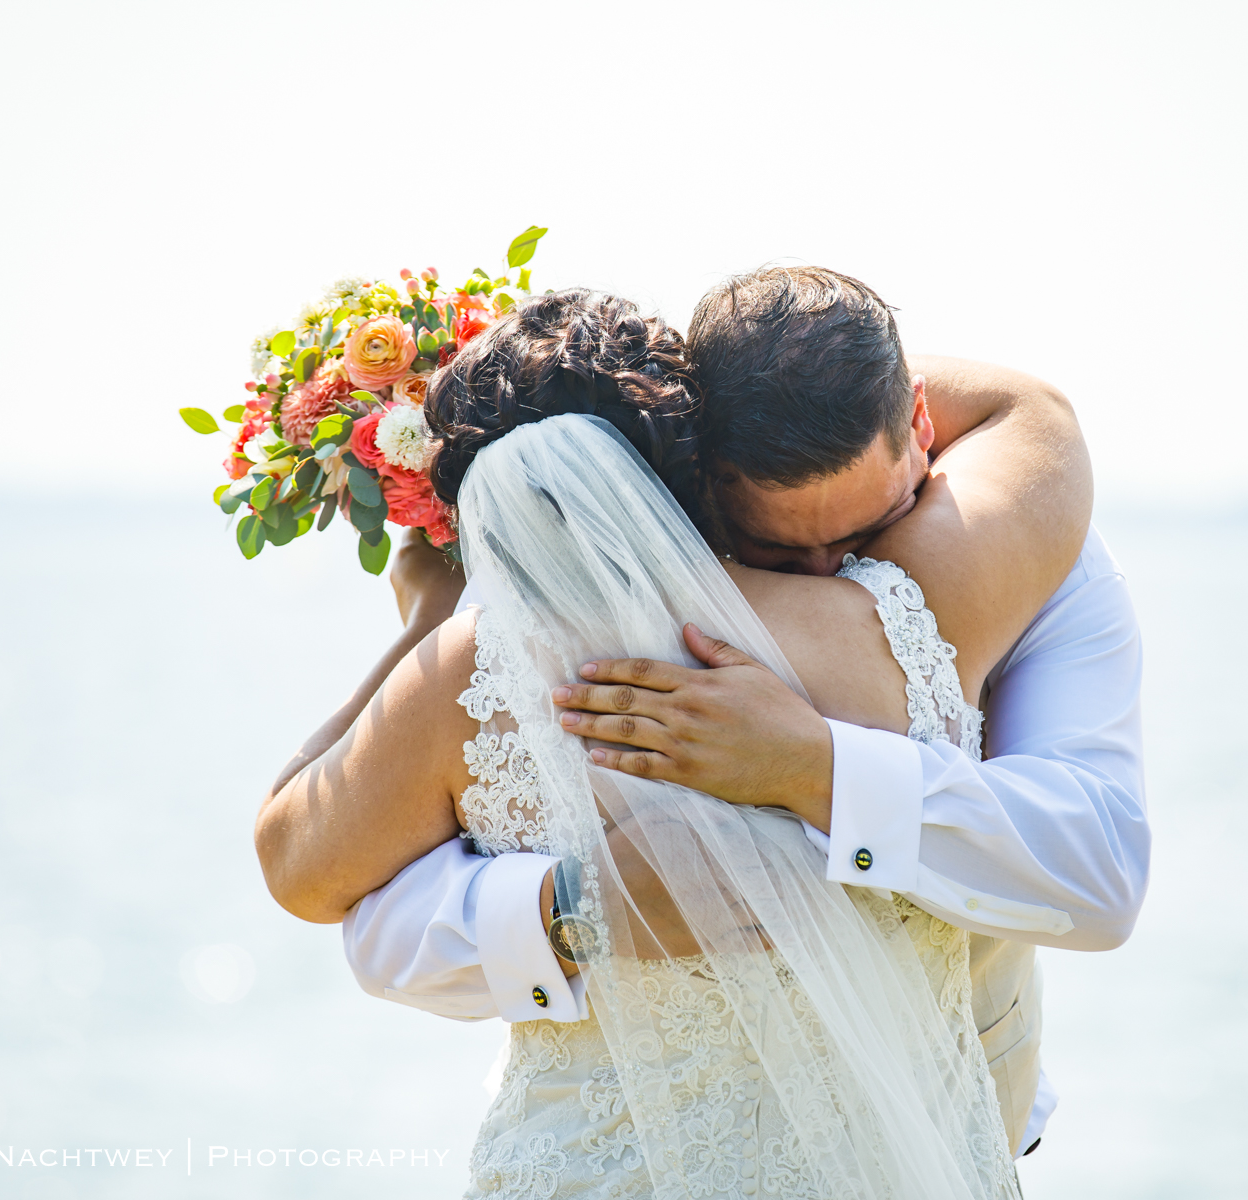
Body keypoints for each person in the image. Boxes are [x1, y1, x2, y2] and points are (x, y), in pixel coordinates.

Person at [257, 268, 1148, 1160]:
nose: (827, 570)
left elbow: (309, 872)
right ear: (695, 484)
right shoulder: (923, 611)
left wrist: (814, 766)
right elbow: (379, 934)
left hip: (939, 1128)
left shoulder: (470, 679)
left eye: (869, 528)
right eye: (772, 544)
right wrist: (577, 912)